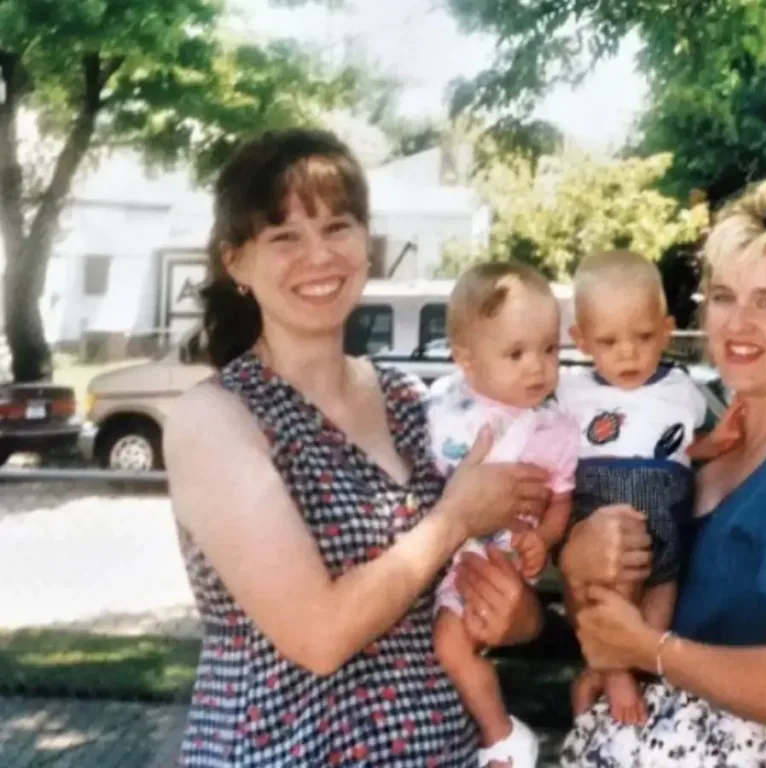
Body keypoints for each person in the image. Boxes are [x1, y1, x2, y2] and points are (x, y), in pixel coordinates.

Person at [163, 128, 552, 767]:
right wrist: (454, 516)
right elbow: (319, 635)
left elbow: (486, 566)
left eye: (337, 227)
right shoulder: (216, 419)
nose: (318, 255)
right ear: (236, 262)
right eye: (284, 235)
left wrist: (517, 614)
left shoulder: (412, 399)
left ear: (365, 245)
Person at [558, 179, 766, 767]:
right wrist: (577, 564)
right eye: (722, 296)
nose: (737, 323)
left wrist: (651, 650)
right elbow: (611, 617)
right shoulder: (704, 441)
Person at [556, 249, 734, 725]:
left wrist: (718, 443)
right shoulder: (571, 391)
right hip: (606, 515)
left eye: (643, 337)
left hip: (667, 519)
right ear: (582, 340)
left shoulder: (681, 388)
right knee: (606, 586)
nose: (628, 353)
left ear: (667, 329)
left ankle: (643, 665)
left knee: (662, 592)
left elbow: (681, 446)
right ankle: (613, 672)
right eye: (609, 341)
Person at [425, 261, 579, 767]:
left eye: (550, 349)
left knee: (452, 647)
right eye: (516, 353)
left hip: (488, 565)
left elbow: (560, 497)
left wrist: (546, 539)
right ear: (465, 359)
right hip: (436, 555)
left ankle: (502, 737)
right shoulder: (439, 405)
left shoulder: (551, 428)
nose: (537, 367)